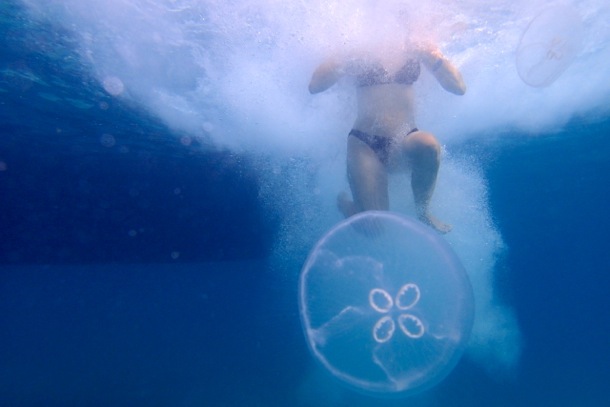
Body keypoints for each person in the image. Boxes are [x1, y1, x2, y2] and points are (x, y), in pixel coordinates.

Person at [308, 43, 466, 233]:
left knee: (429, 145)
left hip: (404, 140)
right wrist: (346, 58)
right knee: (374, 230)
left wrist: (428, 55)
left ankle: (423, 212)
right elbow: (315, 86)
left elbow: (459, 88)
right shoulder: (353, 40)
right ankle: (346, 205)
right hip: (364, 145)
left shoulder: (421, 41)